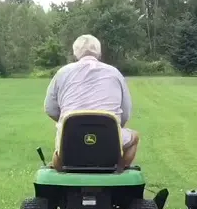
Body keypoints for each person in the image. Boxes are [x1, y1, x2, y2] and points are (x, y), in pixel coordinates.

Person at [43, 34, 139, 171]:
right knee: (134, 137)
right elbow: (125, 113)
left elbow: (50, 109)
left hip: (71, 137)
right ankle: (117, 173)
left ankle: (63, 178)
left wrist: (69, 122)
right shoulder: (115, 73)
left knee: (59, 148)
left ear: (75, 52)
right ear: (99, 52)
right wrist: (112, 127)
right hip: (108, 136)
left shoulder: (62, 73)